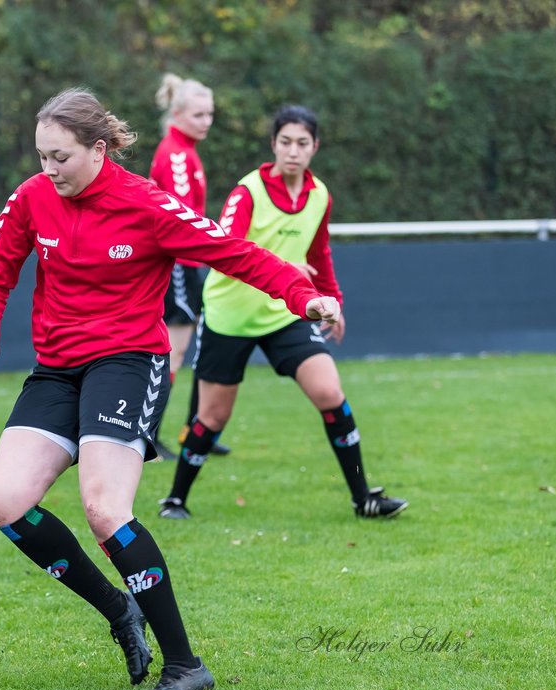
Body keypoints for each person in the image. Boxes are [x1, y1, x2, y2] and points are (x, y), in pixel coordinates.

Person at [0, 89, 340, 690]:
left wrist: (306, 298)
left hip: (128, 363)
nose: (47, 169)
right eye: (41, 156)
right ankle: (119, 610)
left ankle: (185, 665)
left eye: (59, 157)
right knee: (5, 502)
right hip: (57, 369)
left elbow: (238, 253)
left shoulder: (148, 204)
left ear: (99, 149)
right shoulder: (33, 197)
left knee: (105, 508)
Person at [158, 105, 408, 522]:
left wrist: (332, 301)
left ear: (315, 147)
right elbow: (224, 253)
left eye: (302, 143)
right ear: (273, 144)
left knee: (330, 393)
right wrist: (286, 267)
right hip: (231, 317)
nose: (293, 151)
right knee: (213, 416)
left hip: (286, 313)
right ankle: (175, 500)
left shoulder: (320, 196)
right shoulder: (248, 191)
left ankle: (363, 497)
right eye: (286, 142)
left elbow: (318, 253)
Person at [145, 73, 228, 460]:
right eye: (198, 114)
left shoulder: (186, 150)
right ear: (177, 113)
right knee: (172, 353)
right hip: (179, 263)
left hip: (191, 263)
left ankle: (196, 430)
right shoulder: (176, 153)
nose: (206, 121)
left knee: (191, 348)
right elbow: (179, 217)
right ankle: (150, 438)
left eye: (210, 114)